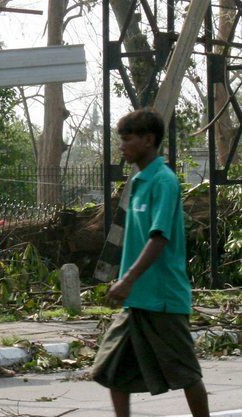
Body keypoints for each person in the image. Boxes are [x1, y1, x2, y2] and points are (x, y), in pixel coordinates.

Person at [91, 108, 210, 417]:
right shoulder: (139, 181)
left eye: (127, 139)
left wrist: (127, 279)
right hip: (137, 301)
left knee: (185, 373)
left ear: (148, 139)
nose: (121, 146)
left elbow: (159, 238)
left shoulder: (164, 181)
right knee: (112, 369)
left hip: (162, 297)